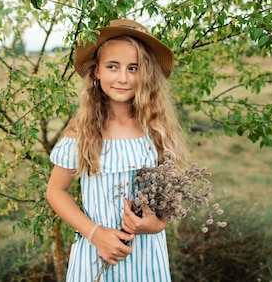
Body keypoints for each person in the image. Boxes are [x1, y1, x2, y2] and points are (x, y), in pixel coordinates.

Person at [46, 19, 189, 281]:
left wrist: (156, 224)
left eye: (133, 68)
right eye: (113, 66)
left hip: (146, 259)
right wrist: (96, 234)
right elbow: (55, 191)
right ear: (97, 71)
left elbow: (171, 195)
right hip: (95, 255)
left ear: (146, 75)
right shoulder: (82, 131)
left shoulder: (156, 129)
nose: (123, 78)